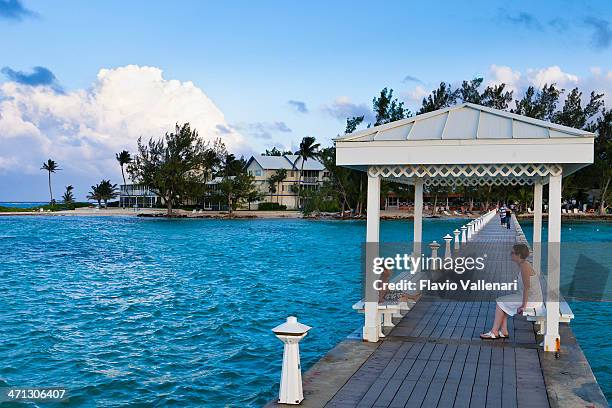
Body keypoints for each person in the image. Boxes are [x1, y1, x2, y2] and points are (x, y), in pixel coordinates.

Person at [480, 244, 543, 339]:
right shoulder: (523, 264)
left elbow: (527, 287)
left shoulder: (524, 266)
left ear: (518, 255)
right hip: (528, 297)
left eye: (512, 253)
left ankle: (494, 332)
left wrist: (523, 306)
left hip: (532, 300)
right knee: (502, 301)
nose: (510, 254)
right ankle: (503, 330)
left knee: (500, 302)